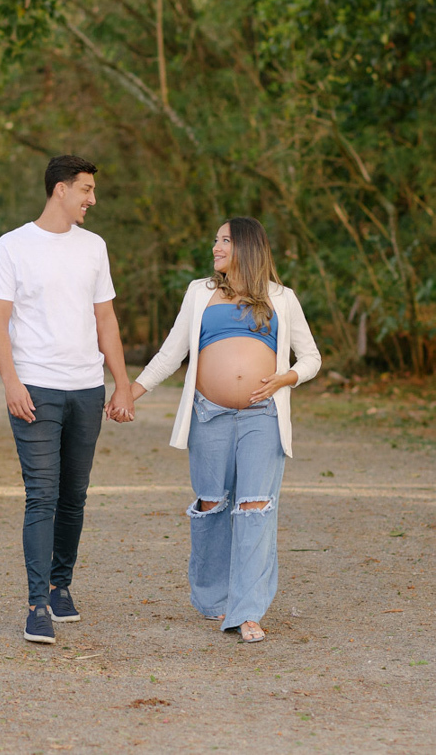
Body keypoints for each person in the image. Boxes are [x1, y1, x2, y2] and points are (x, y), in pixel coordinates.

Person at [126, 217, 321, 642]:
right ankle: (215, 599)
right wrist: (130, 392)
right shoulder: (200, 292)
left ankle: (246, 611)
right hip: (208, 414)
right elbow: (171, 352)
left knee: (255, 508)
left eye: (225, 240)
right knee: (211, 506)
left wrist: (285, 378)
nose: (216, 246)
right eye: (215, 239)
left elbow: (311, 357)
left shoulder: (281, 298)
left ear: (247, 246)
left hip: (263, 415)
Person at [0, 155, 134, 645]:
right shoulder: (13, 246)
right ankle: (37, 606)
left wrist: (122, 382)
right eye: (86, 189)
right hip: (36, 389)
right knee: (42, 494)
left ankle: (60, 586)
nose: (93, 199)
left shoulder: (94, 247)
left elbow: (105, 319)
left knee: (74, 495)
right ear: (60, 190)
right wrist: (11, 382)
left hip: (87, 388)